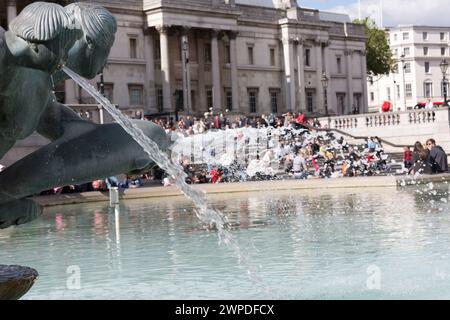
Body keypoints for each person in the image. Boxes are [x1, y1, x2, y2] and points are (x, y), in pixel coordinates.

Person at [0, 2, 172, 204]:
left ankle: (5, 193)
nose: (105, 62)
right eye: (106, 50)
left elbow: (81, 134)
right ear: (90, 43)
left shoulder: (40, 90)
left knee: (149, 136)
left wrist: (139, 148)